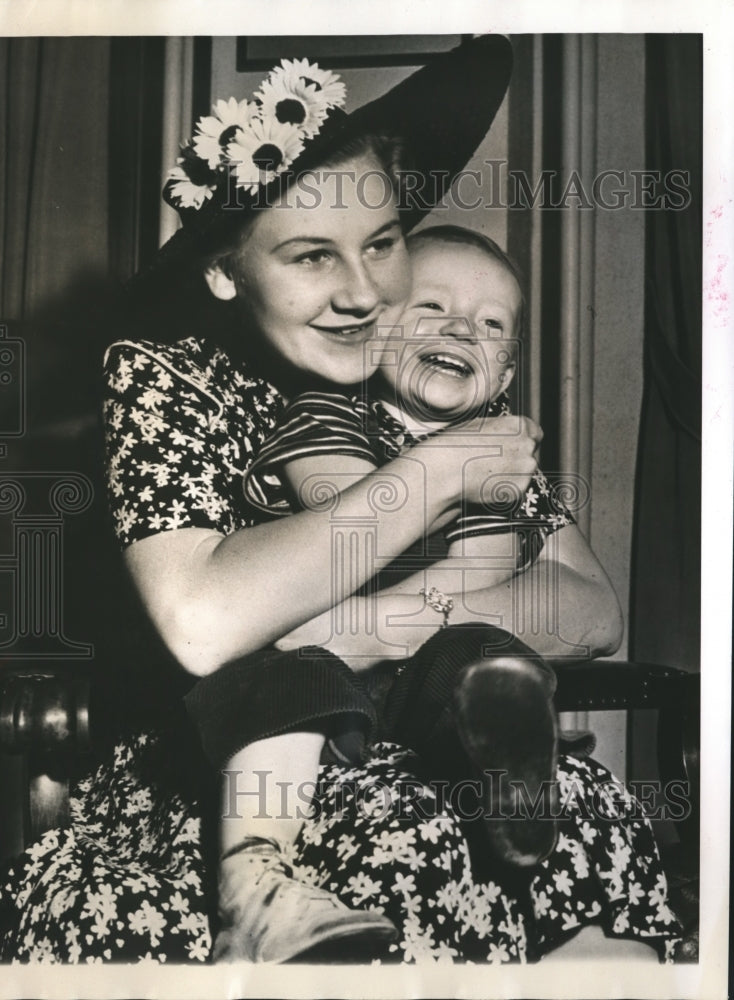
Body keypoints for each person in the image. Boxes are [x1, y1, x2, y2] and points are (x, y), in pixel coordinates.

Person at [0, 39, 684, 964]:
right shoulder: (167, 376)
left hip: (447, 746)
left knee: (583, 841)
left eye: (383, 244)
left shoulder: (423, 388)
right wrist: (438, 477)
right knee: (406, 846)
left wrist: (384, 625)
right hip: (243, 772)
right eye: (312, 256)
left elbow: (590, 605)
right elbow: (207, 621)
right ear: (226, 271)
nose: (364, 295)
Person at [242, 224, 577, 870]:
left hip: (409, 675)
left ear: (505, 372)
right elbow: (345, 529)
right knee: (293, 670)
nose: (460, 330)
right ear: (373, 325)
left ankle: (510, 771)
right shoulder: (328, 409)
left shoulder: (497, 457)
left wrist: (370, 625)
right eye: (432, 307)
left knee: (482, 649)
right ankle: (265, 853)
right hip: (305, 666)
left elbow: (490, 564)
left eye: (491, 325)